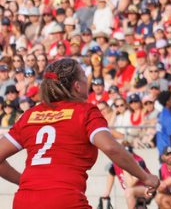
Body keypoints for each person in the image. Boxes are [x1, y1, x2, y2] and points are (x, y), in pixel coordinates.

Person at [0, 58, 161, 208]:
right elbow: (110, 147)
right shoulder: (85, 111)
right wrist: (145, 176)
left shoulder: (30, 115)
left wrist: (24, 182)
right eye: (84, 76)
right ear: (77, 86)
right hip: (64, 199)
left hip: (24, 200)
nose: (87, 81)